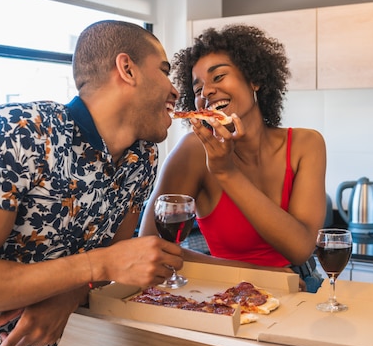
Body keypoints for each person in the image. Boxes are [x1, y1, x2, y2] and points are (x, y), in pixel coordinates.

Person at [0, 20, 181, 346]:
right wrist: (98, 263)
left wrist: (68, 296)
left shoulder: (143, 158)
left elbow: (113, 259)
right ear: (127, 69)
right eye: (165, 71)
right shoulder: (15, 132)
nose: (175, 89)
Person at [139, 24, 327, 292]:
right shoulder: (194, 151)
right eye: (197, 88)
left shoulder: (307, 144)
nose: (206, 92)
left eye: (218, 77)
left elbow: (300, 250)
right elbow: (151, 246)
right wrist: (257, 275)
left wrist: (228, 173)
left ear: (254, 80)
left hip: (304, 287)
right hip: (232, 291)